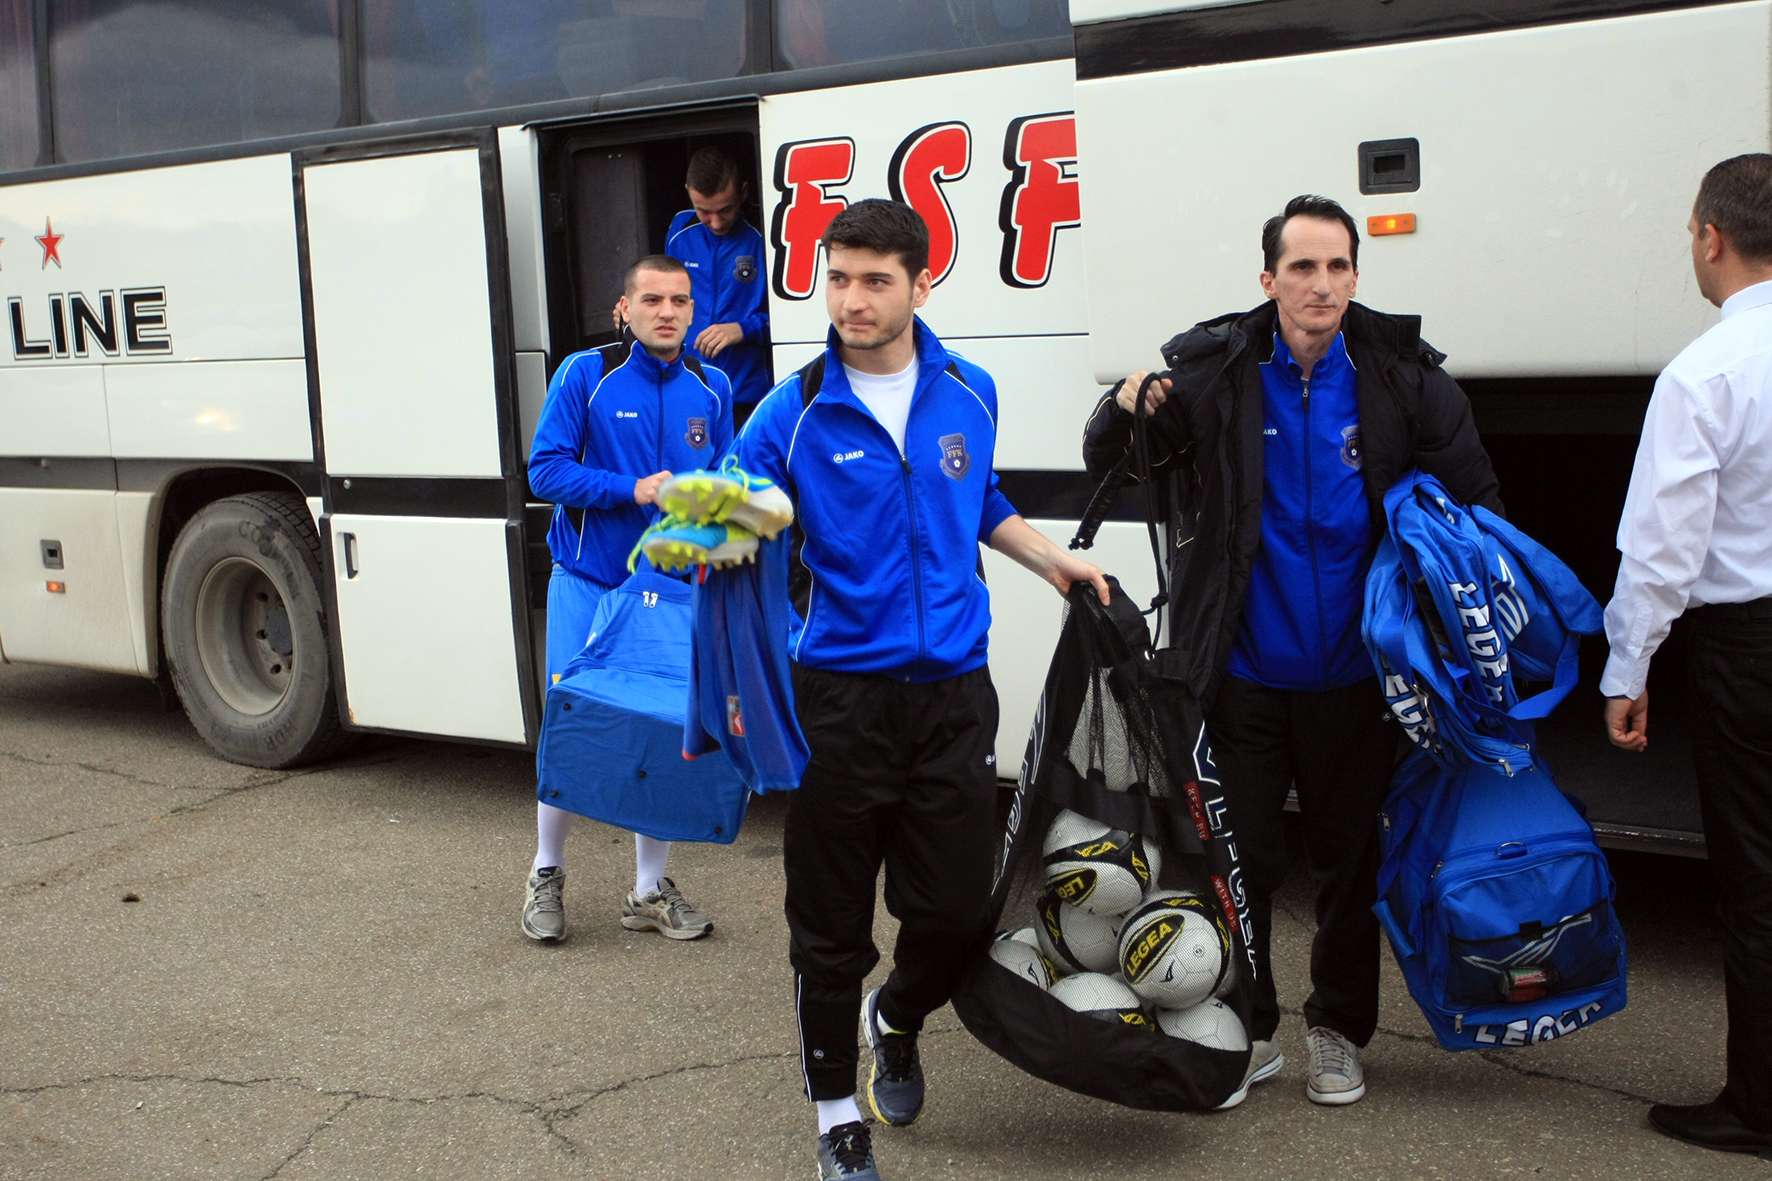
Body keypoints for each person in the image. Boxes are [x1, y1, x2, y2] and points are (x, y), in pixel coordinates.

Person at [1082, 194, 1501, 1108]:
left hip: (1359, 675)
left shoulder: (1400, 377)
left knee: (1349, 862)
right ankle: (1250, 1025)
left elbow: (1477, 505)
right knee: (1244, 863)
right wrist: (1121, 406)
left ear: (1356, 275)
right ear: (1268, 279)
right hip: (1244, 675)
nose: (1322, 284)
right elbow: (1110, 457)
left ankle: (1339, 1029)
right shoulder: (1216, 373)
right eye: (1303, 267)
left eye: (1338, 266)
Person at [733, 198, 1108, 1181]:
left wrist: (1053, 562)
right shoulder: (791, 410)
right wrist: (718, 531)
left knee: (953, 915)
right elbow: (733, 518)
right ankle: (834, 1115)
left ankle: (894, 1018)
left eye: (875, 280)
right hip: (838, 701)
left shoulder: (969, 390)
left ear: (919, 285)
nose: (851, 300)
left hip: (951, 697)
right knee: (829, 927)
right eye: (837, 278)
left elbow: (976, 497)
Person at [1600, 154, 1772, 1156]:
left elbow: (1660, 552)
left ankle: (1759, 1104)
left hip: (1749, 649)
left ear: (1710, 236)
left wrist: (1626, 672)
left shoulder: (1704, 374)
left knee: (1758, 877)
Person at [522, 254, 733, 945]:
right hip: (588, 581)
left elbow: (726, 484)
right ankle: (546, 871)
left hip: (666, 594)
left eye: (679, 300)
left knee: (662, 730)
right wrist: (632, 489)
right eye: (652, 300)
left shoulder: (714, 385)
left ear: (693, 309)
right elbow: (545, 470)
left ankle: (647, 891)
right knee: (571, 724)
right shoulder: (586, 374)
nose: (666, 312)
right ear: (626, 308)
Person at [664, 146, 773, 418]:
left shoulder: (765, 234)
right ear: (688, 192)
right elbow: (664, 296)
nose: (715, 222)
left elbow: (797, 316)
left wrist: (743, 329)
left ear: (743, 192)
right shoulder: (679, 230)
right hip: (688, 390)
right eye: (703, 211)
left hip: (748, 394)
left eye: (725, 210)